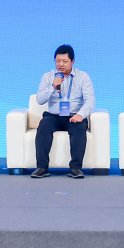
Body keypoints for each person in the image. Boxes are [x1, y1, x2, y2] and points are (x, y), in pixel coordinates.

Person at [30, 44, 95, 179]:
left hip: (73, 115)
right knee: (43, 126)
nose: (60, 64)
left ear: (72, 61)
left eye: (64, 61)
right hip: (53, 116)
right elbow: (40, 100)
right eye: (58, 61)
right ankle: (42, 167)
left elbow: (90, 100)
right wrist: (52, 86)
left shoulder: (83, 77)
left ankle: (75, 168)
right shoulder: (48, 77)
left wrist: (80, 115)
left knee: (79, 129)